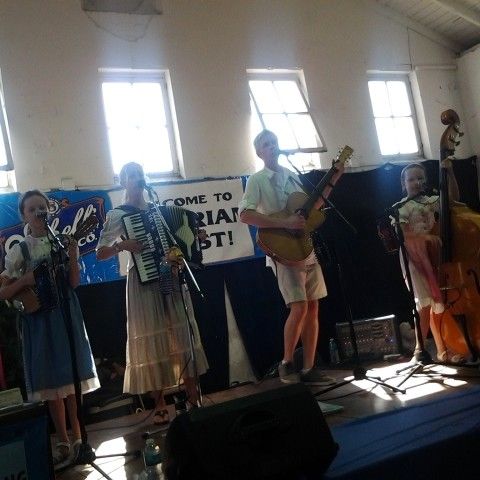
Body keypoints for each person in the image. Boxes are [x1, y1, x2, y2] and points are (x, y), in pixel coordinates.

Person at [96, 162, 208, 426]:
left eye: (139, 174)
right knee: (152, 340)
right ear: (123, 182)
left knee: (182, 335)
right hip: (142, 280)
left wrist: (195, 239)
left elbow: (178, 240)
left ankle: (193, 398)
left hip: (170, 275)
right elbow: (100, 252)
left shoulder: (158, 210)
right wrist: (123, 245)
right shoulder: (118, 215)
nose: (137, 178)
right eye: (131, 175)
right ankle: (159, 405)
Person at [0, 190, 100, 467]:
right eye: (31, 209)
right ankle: (63, 441)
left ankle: (79, 438)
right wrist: (26, 280)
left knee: (70, 380)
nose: (37, 213)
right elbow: (4, 292)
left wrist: (72, 255)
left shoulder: (62, 242)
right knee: (52, 384)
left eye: (41, 208)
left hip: (65, 314)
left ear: (49, 210)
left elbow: (74, 283)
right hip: (39, 321)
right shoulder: (20, 251)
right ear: (23, 216)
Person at [239, 130, 343, 385]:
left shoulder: (292, 175)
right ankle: (286, 363)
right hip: (283, 251)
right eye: (266, 144)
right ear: (259, 152)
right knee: (299, 306)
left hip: (305, 247)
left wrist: (334, 177)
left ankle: (309, 367)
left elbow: (311, 208)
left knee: (313, 305)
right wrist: (284, 222)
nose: (272, 146)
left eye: (274, 142)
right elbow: (245, 214)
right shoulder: (257, 180)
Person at [392, 161, 465, 364]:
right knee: (424, 303)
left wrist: (450, 172)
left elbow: (454, 200)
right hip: (414, 257)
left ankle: (443, 350)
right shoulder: (402, 207)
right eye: (411, 179)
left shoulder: (431, 201)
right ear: (403, 184)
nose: (416, 182)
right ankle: (419, 350)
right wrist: (424, 237)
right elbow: (403, 234)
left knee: (439, 302)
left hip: (434, 255)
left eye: (420, 178)